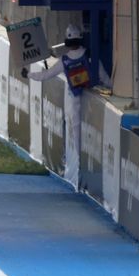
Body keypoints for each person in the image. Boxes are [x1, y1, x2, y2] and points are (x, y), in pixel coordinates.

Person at [28, 24, 103, 187]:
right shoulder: (89, 55)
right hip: (93, 97)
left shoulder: (64, 60)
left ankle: (79, 168)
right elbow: (103, 75)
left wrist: (28, 74)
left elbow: (46, 75)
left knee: (76, 132)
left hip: (75, 99)